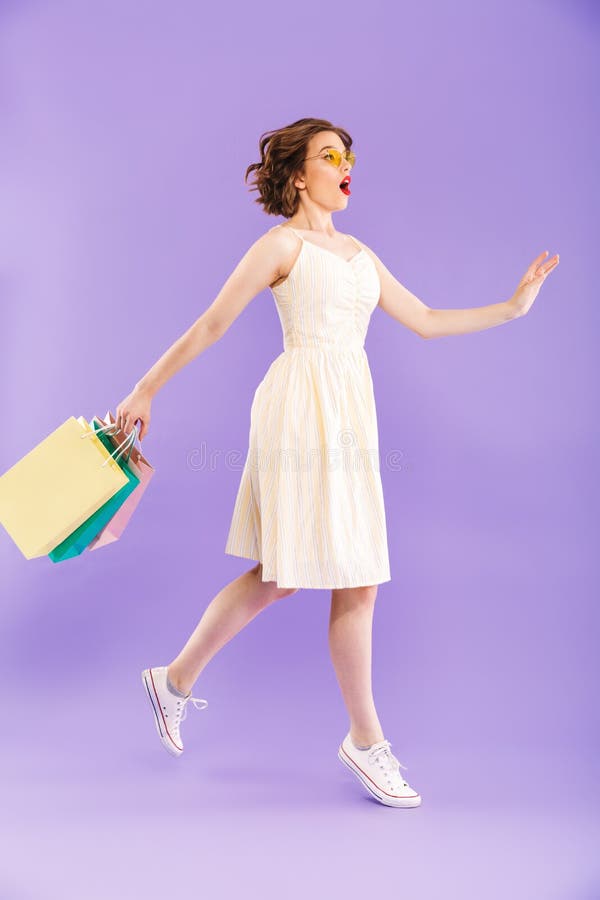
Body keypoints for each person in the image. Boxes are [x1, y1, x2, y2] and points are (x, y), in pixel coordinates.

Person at [115, 117, 559, 808]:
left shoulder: (359, 254)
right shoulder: (279, 246)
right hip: (299, 412)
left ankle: (175, 682)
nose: (346, 164)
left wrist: (512, 308)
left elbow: (428, 318)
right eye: (330, 155)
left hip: (350, 417)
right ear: (299, 175)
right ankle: (364, 739)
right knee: (307, 573)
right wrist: (145, 388)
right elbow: (211, 323)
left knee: (321, 577)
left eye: (348, 154)